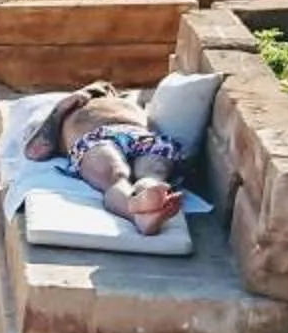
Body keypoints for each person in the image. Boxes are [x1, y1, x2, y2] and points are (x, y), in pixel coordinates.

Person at [22, 81, 189, 234]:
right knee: (116, 174)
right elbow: (35, 151)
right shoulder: (69, 108)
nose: (101, 87)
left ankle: (150, 195)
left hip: (141, 136)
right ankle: (137, 213)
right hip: (97, 138)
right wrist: (59, 111)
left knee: (151, 172)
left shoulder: (129, 102)